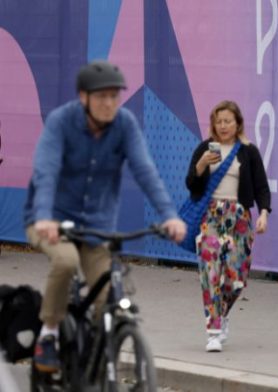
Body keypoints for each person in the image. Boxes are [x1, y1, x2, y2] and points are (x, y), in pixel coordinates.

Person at [24, 60, 186, 373]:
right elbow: (46, 171)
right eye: (102, 97)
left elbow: (145, 171)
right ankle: (49, 333)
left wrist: (169, 215)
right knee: (66, 261)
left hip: (97, 226)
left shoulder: (124, 124)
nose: (109, 103)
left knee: (108, 299)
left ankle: (96, 360)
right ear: (83, 97)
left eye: (114, 96)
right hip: (50, 221)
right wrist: (45, 217)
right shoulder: (62, 122)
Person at [185, 100, 271, 352]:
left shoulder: (248, 151)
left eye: (228, 121)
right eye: (218, 121)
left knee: (236, 279)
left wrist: (264, 213)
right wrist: (201, 165)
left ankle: (222, 313)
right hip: (210, 216)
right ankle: (213, 331)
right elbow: (191, 185)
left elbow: (261, 187)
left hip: (239, 218)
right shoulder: (204, 149)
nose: (223, 126)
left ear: (237, 124)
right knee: (210, 273)